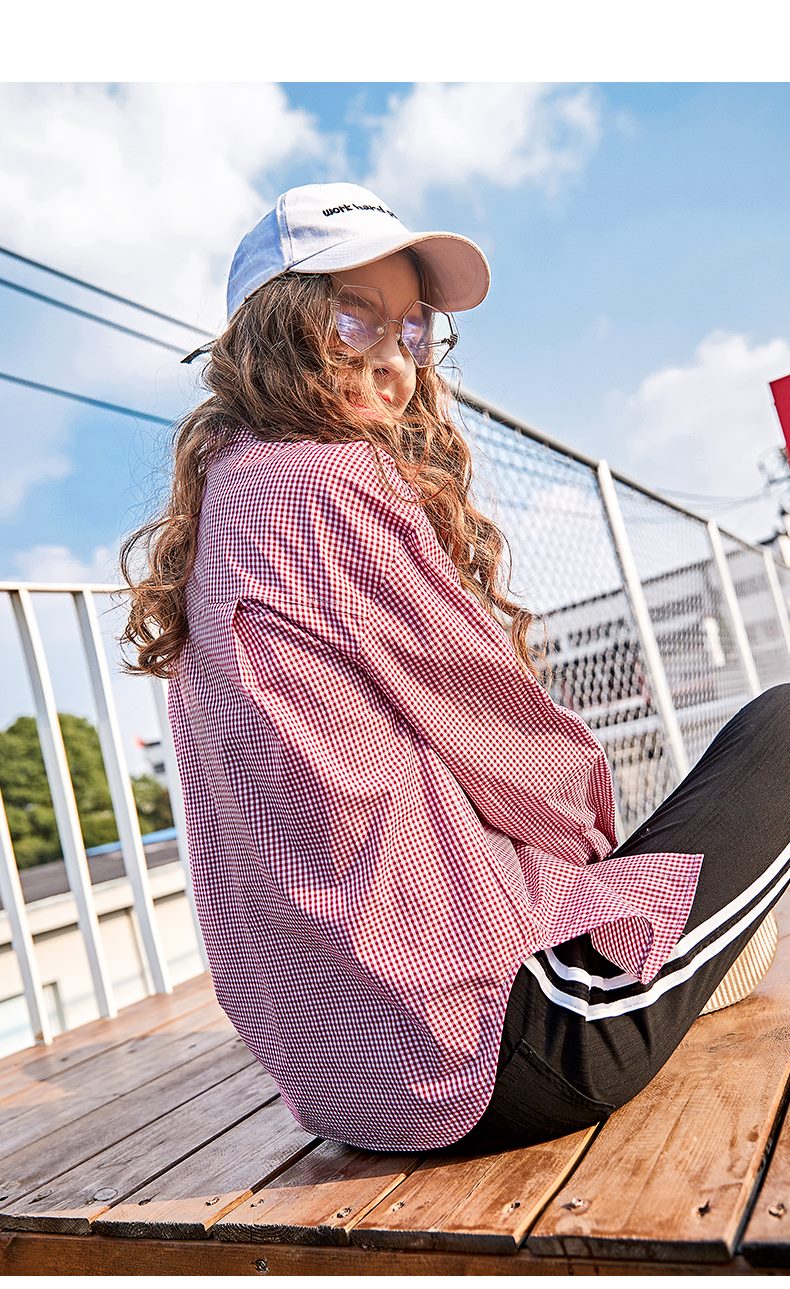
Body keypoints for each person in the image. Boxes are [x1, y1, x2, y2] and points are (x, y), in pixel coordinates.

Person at [118, 181, 790, 1155]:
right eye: (354, 318)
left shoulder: (225, 507)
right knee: (782, 725)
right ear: (275, 329)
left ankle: (682, 950)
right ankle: (661, 955)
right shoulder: (325, 478)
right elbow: (513, 746)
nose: (394, 361)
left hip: (348, 1087)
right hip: (504, 1041)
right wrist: (607, 876)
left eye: (412, 329)